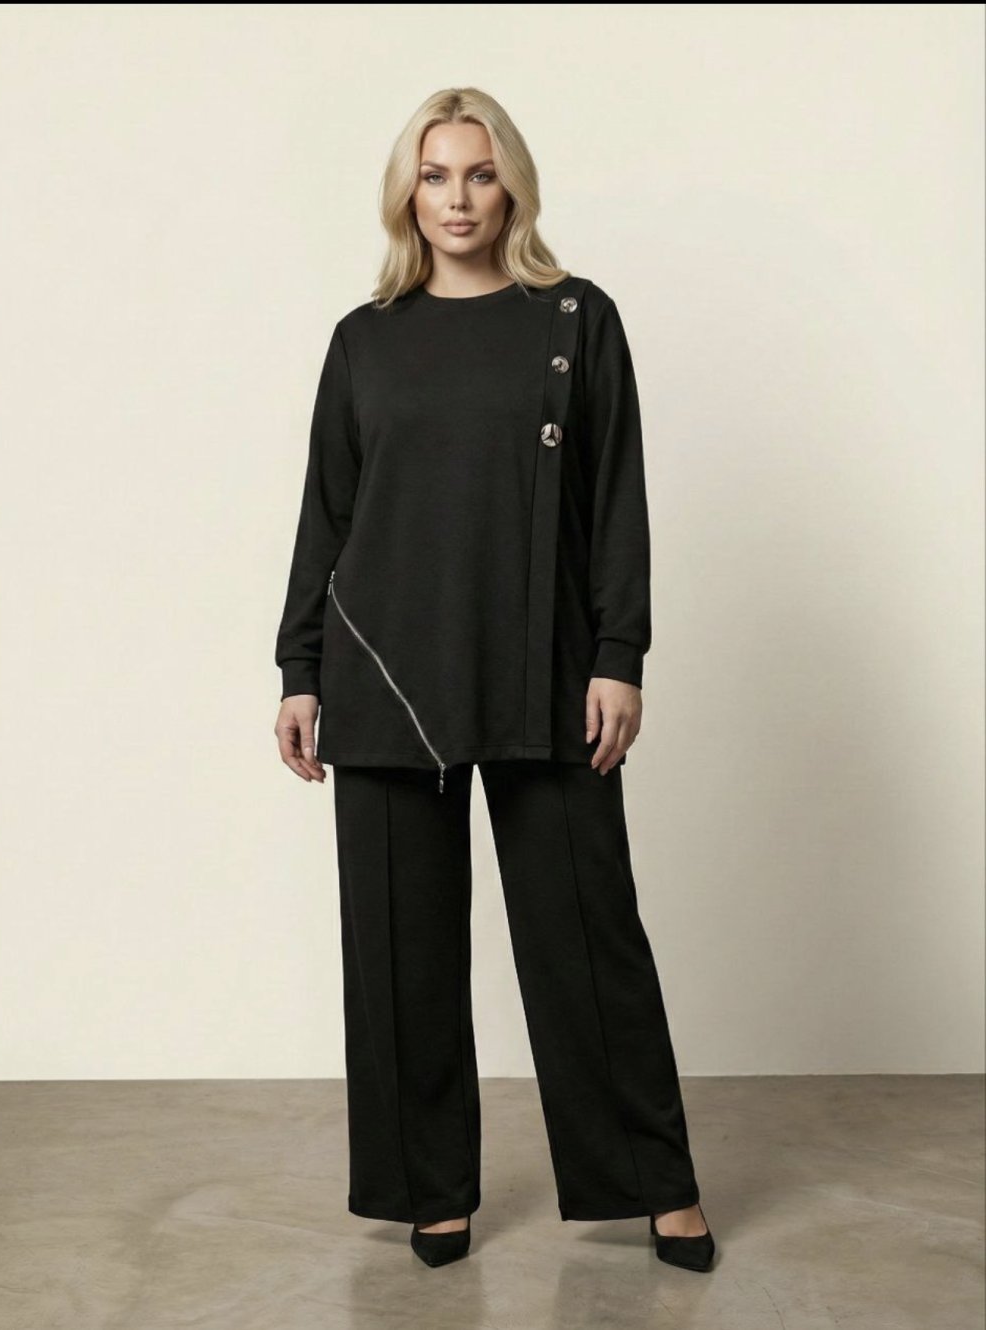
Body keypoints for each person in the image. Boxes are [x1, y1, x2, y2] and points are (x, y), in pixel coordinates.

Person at [273, 86, 716, 1274]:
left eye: (478, 173)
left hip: (543, 671)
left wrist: (618, 655)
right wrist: (300, 667)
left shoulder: (575, 319)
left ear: (510, 184)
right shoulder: (364, 339)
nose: (457, 198)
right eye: (435, 176)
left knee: (586, 938)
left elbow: (614, 499)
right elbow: (327, 514)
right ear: (406, 192)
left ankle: (655, 1182)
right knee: (402, 953)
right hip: (383, 672)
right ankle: (431, 1188)